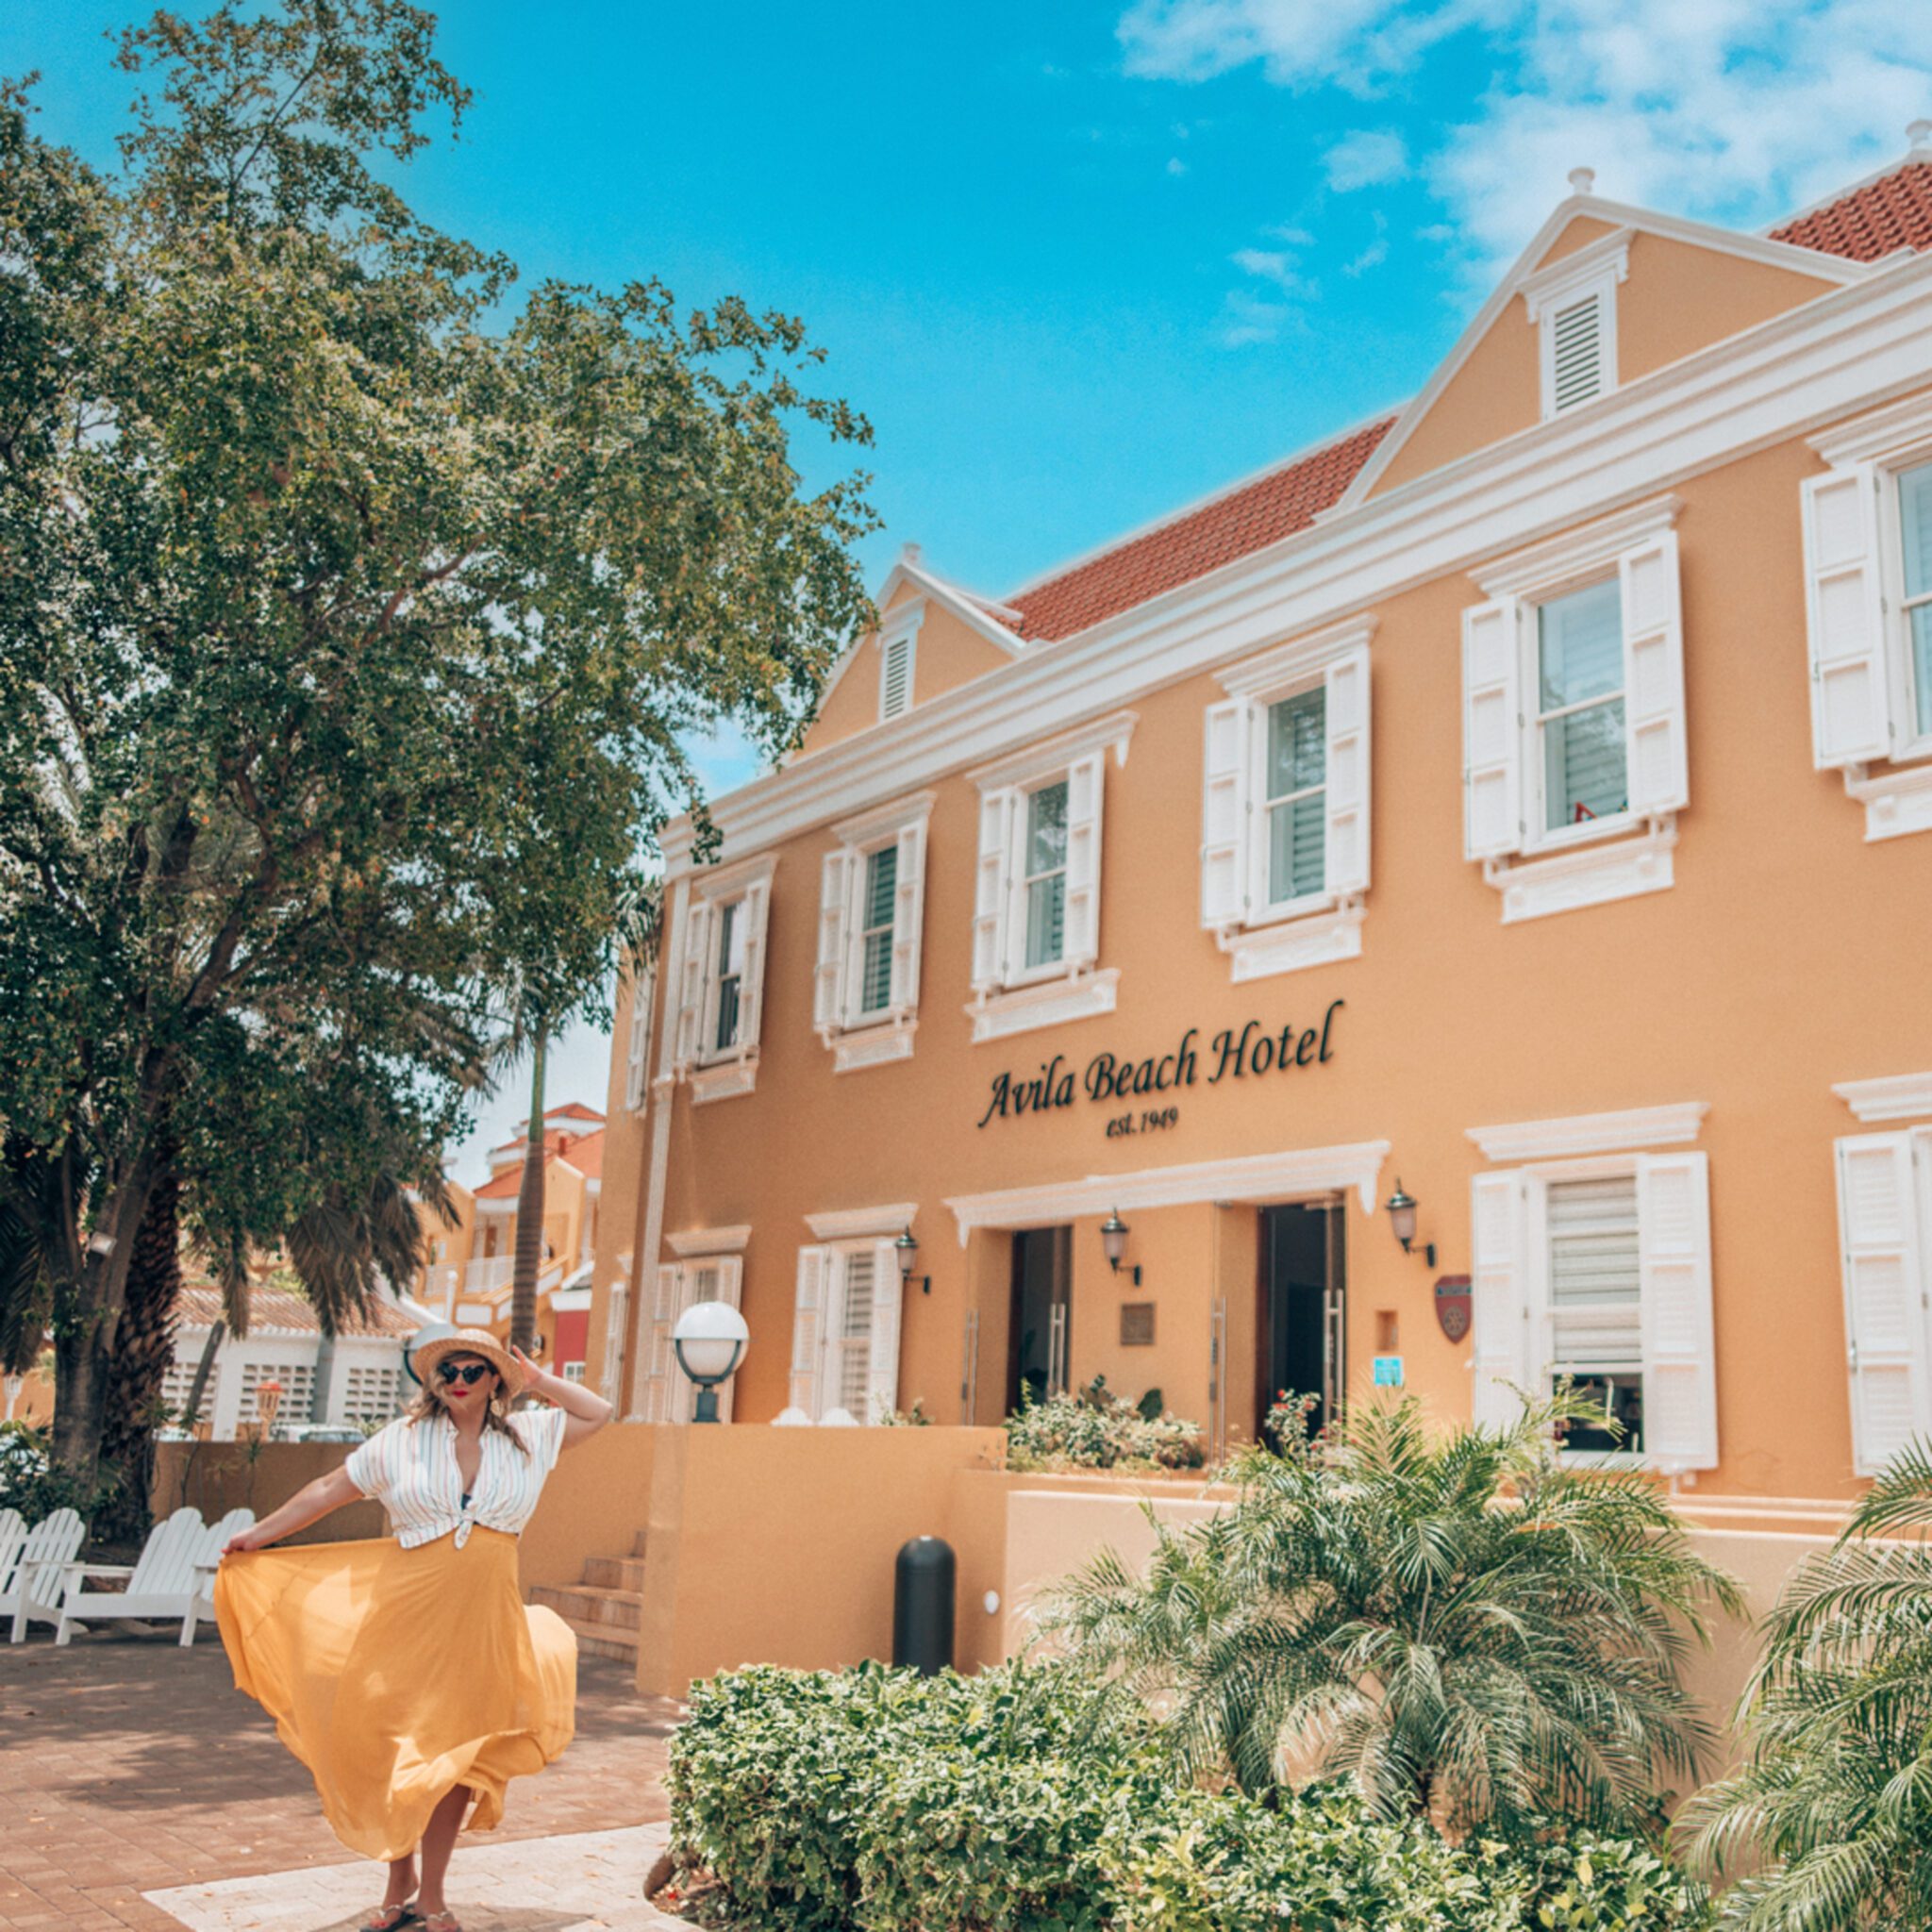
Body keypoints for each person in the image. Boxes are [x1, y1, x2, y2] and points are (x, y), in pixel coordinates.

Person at [214, 1330, 614, 1932]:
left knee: (454, 1755)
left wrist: (537, 1381)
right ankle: (398, 1878)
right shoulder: (400, 1441)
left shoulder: (531, 1437)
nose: (457, 1380)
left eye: (472, 1371)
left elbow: (599, 1412)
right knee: (388, 1742)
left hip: (481, 1621)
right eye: (447, 1370)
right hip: (404, 1611)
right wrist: (259, 1537)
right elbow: (326, 1490)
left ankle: (433, 1895)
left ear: (494, 1382)